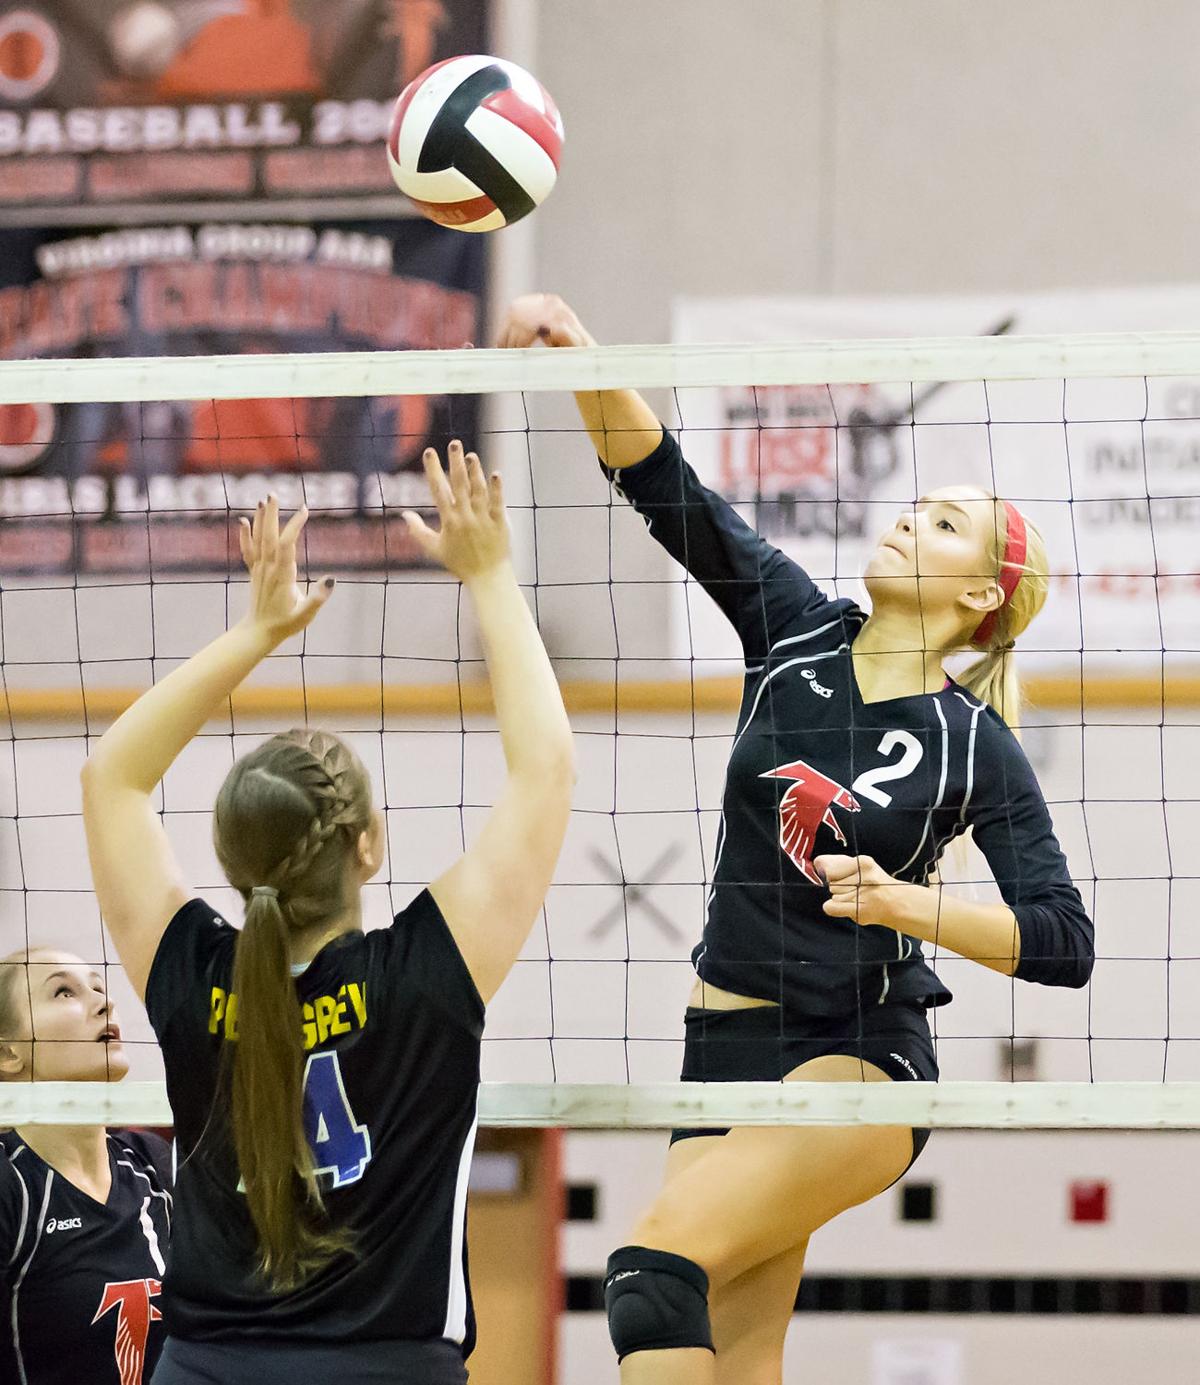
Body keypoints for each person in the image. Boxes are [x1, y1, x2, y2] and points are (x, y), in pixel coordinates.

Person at [498, 294, 1095, 1385]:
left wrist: (910, 903)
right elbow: (665, 484)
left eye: (949, 525)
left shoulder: (975, 746)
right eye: (920, 506)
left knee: (647, 1271)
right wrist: (590, 356)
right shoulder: (793, 626)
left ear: (979, 599)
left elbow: (1065, 940)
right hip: (718, 1045)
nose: (913, 518)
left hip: (860, 1049)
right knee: (738, 1346)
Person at [79, 442, 574, 1385]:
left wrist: (258, 631)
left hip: (205, 1367)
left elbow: (111, 778)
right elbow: (546, 767)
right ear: (368, 846)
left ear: (230, 859)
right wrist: (491, 572)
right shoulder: (425, 974)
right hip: (384, 1369)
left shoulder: (192, 975)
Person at [0, 949, 173, 1385]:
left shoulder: (153, 1163)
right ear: (8, 1054)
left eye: (99, 986)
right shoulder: (11, 1186)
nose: (104, 1003)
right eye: (63, 991)